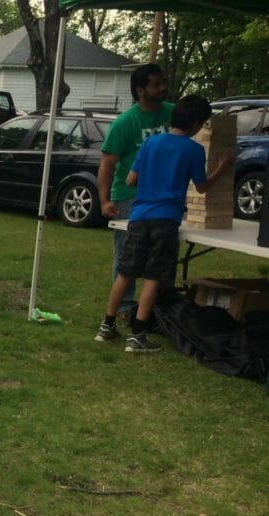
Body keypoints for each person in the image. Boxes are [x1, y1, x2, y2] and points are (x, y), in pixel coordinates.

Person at [96, 95, 234, 353]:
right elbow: (202, 187)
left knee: (125, 272)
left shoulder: (150, 142)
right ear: (195, 124)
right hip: (166, 219)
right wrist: (222, 168)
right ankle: (137, 335)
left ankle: (107, 326)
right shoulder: (194, 150)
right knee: (153, 276)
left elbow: (130, 181)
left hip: (138, 216)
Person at [98, 63, 174, 321]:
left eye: (163, 82)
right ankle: (124, 308)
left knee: (162, 251)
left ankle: (160, 305)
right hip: (129, 196)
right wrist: (105, 200)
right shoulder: (126, 122)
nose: (163, 88)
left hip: (166, 198)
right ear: (140, 90)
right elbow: (108, 163)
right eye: (156, 84)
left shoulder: (172, 114)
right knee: (129, 254)